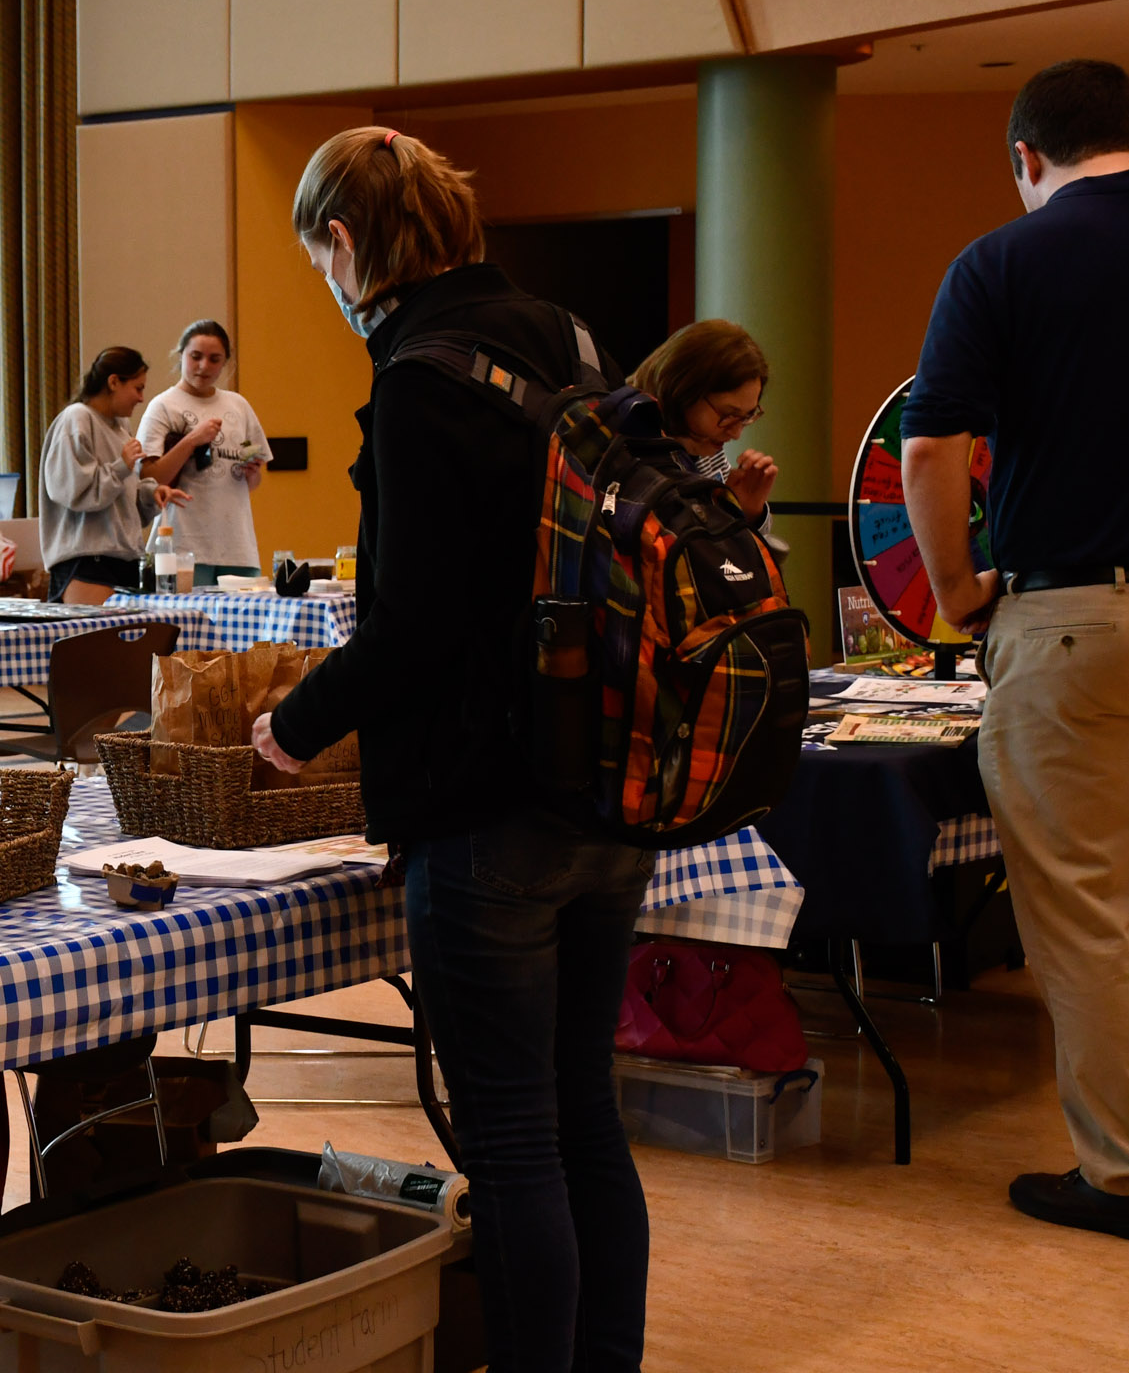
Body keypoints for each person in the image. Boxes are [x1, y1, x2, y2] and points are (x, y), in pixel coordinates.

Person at [251, 127, 650, 1370]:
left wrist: (293, 725)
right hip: (604, 788)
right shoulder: (569, 340)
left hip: (486, 812)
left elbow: (412, 626)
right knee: (584, 1118)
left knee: (512, 1143)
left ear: (343, 242)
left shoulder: (422, 375)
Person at [902, 58, 1129, 1249]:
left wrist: (957, 591)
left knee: (1084, 913)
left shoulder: (999, 263)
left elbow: (928, 449)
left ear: (1024, 158)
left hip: (1075, 618)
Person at [38, 346, 189, 603]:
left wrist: (150, 493)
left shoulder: (120, 427)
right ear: (114, 382)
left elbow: (122, 491)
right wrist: (121, 466)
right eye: (138, 388)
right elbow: (72, 492)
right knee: (96, 642)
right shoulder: (77, 419)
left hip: (123, 559)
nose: (141, 398)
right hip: (87, 562)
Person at [137, 320, 272, 585]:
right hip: (181, 545)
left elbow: (253, 482)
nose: (203, 367)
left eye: (214, 359)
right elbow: (149, 478)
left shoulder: (238, 405)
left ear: (225, 363)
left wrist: (251, 472)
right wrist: (191, 441)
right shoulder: (163, 406)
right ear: (181, 356)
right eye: (195, 357)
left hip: (237, 547)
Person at [627, 318, 777, 528]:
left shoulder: (705, 448)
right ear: (683, 391)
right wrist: (726, 514)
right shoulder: (624, 452)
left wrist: (747, 512)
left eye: (746, 417)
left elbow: (731, 552)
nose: (736, 434)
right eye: (728, 414)